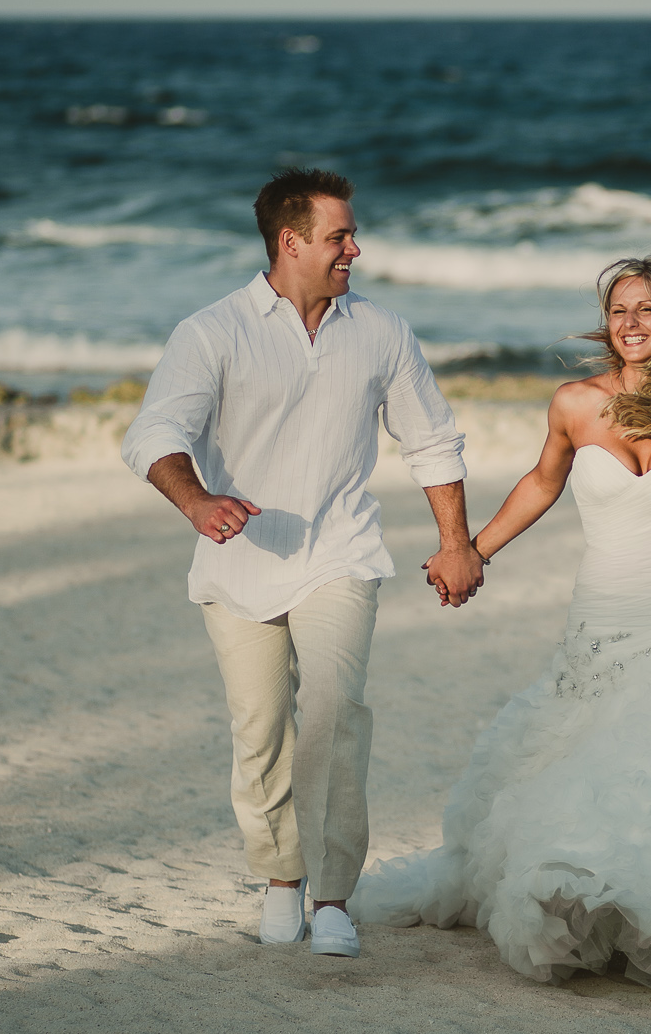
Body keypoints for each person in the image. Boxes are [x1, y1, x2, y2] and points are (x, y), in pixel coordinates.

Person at [351, 254, 651, 1001]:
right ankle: (596, 905)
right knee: (597, 751)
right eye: (619, 310)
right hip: (603, 611)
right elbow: (542, 483)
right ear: (607, 323)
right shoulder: (575, 403)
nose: (631, 322)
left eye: (647, 309)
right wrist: (470, 551)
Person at [122, 167, 486, 960]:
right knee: (260, 729)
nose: (355, 247)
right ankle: (280, 879)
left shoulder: (382, 331)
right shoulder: (212, 331)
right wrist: (198, 502)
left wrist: (455, 540)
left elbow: (431, 440)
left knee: (334, 708)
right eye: (339, 236)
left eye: (350, 234)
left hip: (340, 551)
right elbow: (153, 434)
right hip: (239, 560)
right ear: (290, 243)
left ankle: (330, 895)